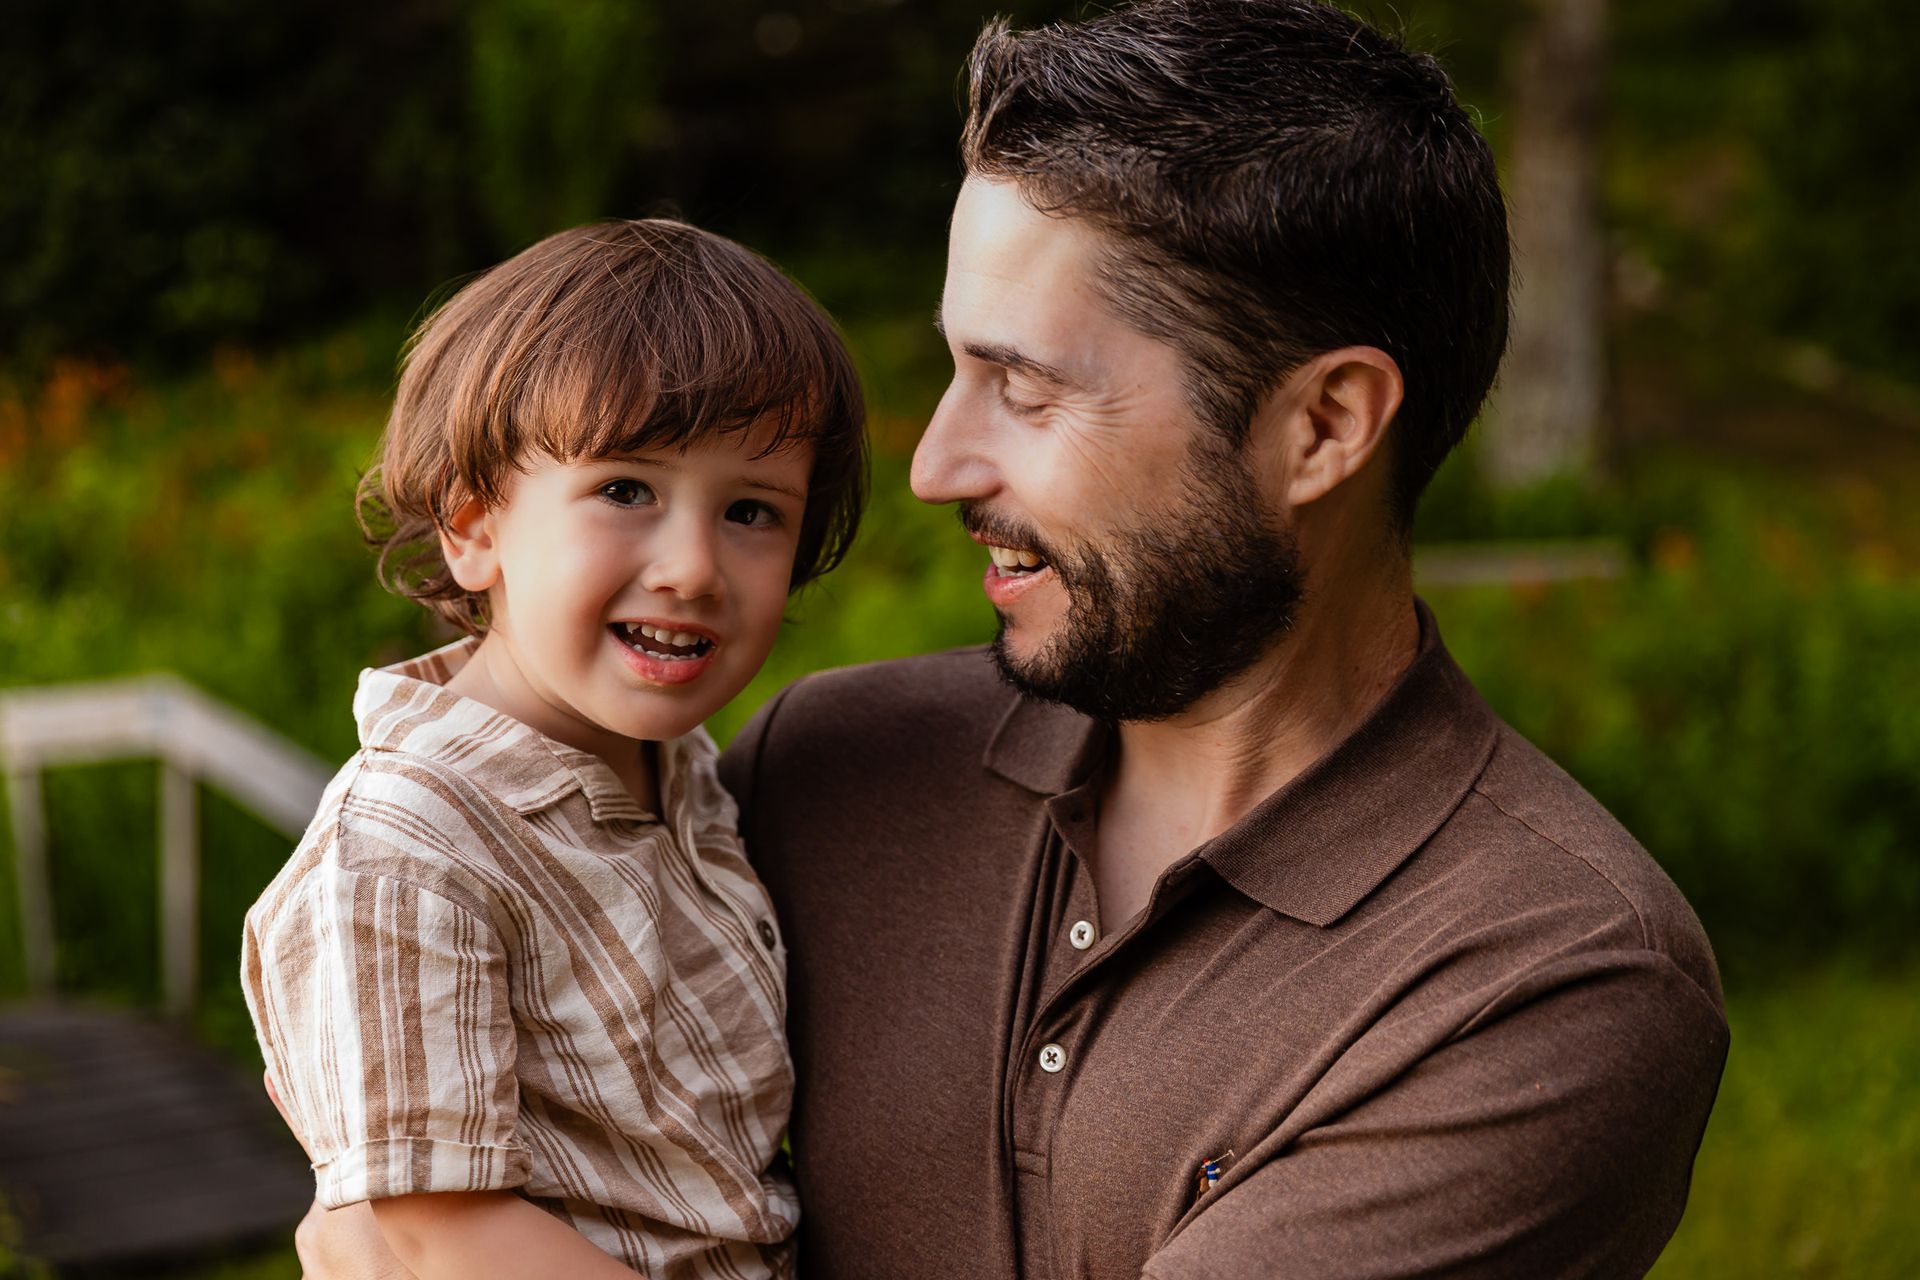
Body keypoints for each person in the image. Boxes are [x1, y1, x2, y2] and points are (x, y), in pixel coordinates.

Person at [292, 3, 1727, 1277]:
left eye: (1023, 389)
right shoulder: (812, 772)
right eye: (951, 368)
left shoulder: (1545, 987)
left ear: (1322, 427)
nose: (934, 469)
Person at [243, 218, 866, 1280]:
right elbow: (438, 1231)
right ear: (472, 525)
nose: (692, 567)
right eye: (626, 489)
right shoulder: (408, 846)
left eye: (752, 509)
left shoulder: (685, 776)